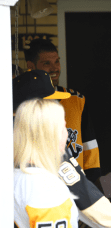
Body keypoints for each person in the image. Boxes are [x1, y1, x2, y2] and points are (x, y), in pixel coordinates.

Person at [13, 70, 111, 228]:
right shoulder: (45, 185)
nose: (67, 135)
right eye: (51, 101)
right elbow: (88, 201)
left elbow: (90, 201)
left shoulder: (35, 167)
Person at [24, 38, 101, 183]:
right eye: (46, 63)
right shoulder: (23, 104)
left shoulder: (77, 99)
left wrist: (93, 184)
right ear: (31, 66)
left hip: (77, 186)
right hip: (39, 185)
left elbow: (89, 145)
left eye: (57, 62)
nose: (54, 68)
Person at [14, 98, 80, 228]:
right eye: (63, 127)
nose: (67, 133)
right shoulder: (47, 188)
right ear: (50, 134)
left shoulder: (11, 176)